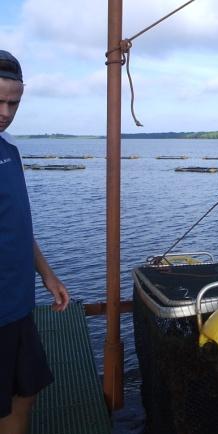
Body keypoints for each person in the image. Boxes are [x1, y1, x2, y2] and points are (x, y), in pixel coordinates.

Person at [0, 50, 70, 434]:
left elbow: (17, 225)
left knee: (25, 393)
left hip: (17, 304)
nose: (6, 111)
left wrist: (48, 275)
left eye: (14, 102)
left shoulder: (10, 148)